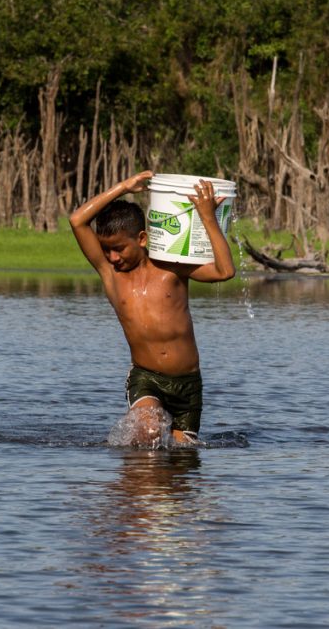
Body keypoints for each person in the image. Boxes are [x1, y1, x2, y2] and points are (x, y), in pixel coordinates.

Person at [69, 170, 236, 446]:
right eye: (106, 250)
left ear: (142, 238)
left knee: (181, 458)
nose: (112, 257)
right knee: (149, 434)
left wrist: (207, 216)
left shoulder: (172, 266)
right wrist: (124, 187)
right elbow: (77, 220)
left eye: (119, 248)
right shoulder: (110, 275)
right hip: (146, 378)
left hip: (188, 385)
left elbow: (225, 271)